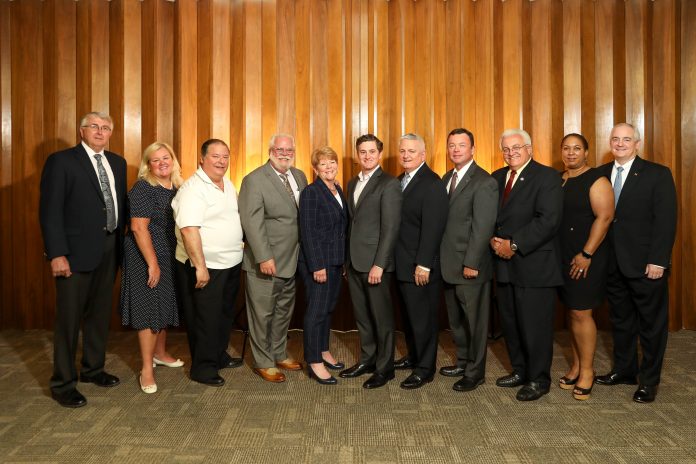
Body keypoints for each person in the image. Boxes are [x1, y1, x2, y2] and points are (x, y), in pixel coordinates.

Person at [39, 112, 127, 408]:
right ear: (81, 131)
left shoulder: (117, 162)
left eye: (106, 128)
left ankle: (93, 369)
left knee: (100, 315)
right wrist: (57, 253)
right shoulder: (61, 161)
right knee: (69, 319)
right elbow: (50, 212)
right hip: (73, 254)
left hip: (109, 248)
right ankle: (63, 383)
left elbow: (119, 208)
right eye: (94, 127)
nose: (100, 132)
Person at [595, 123, 677, 403]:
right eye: (615, 139)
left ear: (637, 143)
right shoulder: (601, 174)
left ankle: (649, 381)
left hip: (646, 264)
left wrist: (658, 260)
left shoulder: (657, 174)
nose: (620, 143)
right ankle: (624, 369)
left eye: (626, 139)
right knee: (621, 321)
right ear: (610, 142)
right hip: (611, 263)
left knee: (651, 325)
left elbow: (666, 221)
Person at [490, 128, 563, 401]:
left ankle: (538, 379)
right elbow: (490, 216)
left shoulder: (546, 177)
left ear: (529, 149)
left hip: (534, 264)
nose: (511, 153)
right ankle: (520, 370)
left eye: (517, 148)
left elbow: (548, 220)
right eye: (506, 149)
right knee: (511, 322)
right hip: (503, 265)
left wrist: (515, 244)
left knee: (535, 326)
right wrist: (492, 240)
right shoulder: (497, 177)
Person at [172, 139, 244, 387]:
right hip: (206, 265)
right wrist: (200, 266)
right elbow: (189, 229)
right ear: (202, 159)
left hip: (230, 262)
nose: (221, 161)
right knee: (204, 318)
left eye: (225, 156)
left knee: (223, 315)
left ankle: (217, 356)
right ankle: (202, 368)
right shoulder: (193, 189)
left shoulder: (227, 183)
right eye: (215, 156)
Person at [239, 133, 308, 383]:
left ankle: (278, 352)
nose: (285, 153)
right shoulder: (254, 180)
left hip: (293, 260)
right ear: (270, 151)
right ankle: (263, 361)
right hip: (266, 263)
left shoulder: (299, 176)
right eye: (280, 149)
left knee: (282, 313)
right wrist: (264, 257)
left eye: (289, 149)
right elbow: (252, 222)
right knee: (261, 314)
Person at [119, 142, 185, 394]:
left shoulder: (177, 186)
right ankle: (146, 368)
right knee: (148, 306)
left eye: (165, 158)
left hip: (168, 252)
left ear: (173, 160)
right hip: (144, 254)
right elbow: (138, 228)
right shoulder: (143, 188)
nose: (161, 163)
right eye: (155, 160)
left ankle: (160, 353)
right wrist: (152, 263)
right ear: (148, 165)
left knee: (164, 301)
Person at [340, 134, 402, 389]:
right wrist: (346, 261)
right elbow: (350, 223)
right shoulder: (352, 182)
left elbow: (391, 228)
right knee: (363, 316)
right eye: (362, 152)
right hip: (354, 262)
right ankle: (368, 359)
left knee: (382, 318)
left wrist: (380, 264)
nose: (367, 156)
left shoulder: (388, 184)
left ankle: (385, 368)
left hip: (376, 264)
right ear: (358, 155)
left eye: (371, 152)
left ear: (379, 154)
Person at [439, 128, 498, 392]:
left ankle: (475, 372)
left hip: (470, 265)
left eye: (461, 145)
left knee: (475, 322)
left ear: (473, 149)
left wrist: (472, 262)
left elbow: (483, 227)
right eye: (452, 145)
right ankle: (463, 361)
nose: (456, 149)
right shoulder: (446, 177)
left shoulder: (484, 181)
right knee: (456, 320)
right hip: (448, 263)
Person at [557, 133, 614, 401]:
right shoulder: (560, 179)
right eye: (566, 148)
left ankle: (588, 371)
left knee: (582, 312)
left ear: (586, 152)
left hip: (586, 256)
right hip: (564, 254)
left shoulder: (596, 179)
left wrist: (586, 253)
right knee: (572, 311)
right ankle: (577, 365)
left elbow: (604, 218)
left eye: (577, 148)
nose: (571, 153)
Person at [394, 133, 448, 390]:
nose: (406, 155)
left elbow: (433, 228)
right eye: (402, 151)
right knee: (410, 317)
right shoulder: (400, 180)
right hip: (402, 263)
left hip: (420, 266)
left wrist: (424, 263)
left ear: (423, 155)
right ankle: (415, 357)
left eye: (411, 151)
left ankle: (425, 369)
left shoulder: (432, 183)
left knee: (424, 319)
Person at [298, 146, 347, 385]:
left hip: (336, 261)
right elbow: (308, 232)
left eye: (332, 162)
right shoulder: (311, 192)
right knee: (316, 312)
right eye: (323, 164)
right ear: (315, 169)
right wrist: (317, 265)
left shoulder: (337, 188)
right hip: (319, 263)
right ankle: (313, 360)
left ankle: (324, 349)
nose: (329, 167)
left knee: (328, 309)